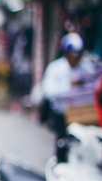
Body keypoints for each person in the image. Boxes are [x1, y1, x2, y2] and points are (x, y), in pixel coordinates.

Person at [41, 32, 97, 161]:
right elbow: (48, 91)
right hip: (62, 116)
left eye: (78, 56)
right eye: (73, 56)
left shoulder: (86, 67)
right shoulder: (56, 68)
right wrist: (69, 85)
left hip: (82, 116)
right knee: (63, 146)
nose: (75, 59)